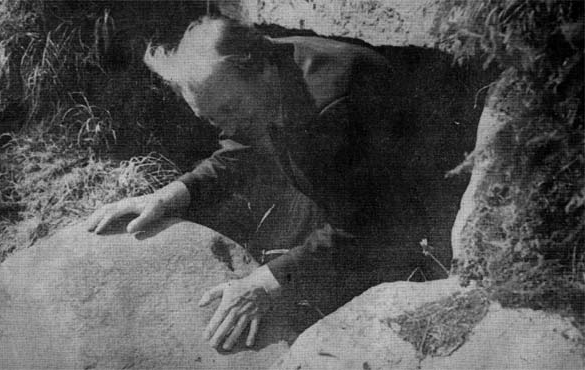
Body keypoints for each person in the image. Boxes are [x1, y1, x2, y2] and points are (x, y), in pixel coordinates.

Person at [86, 16, 442, 351]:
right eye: (212, 118)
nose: (227, 125)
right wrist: (171, 195)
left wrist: (265, 283)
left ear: (262, 69)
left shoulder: (329, 107)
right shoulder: (262, 79)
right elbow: (242, 147)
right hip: (347, 190)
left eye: (231, 108)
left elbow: (369, 226)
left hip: (419, 212)